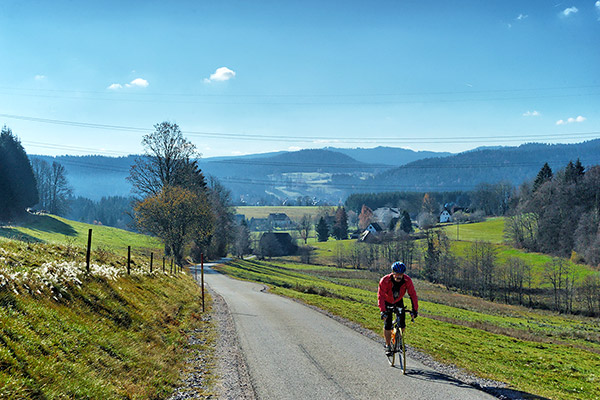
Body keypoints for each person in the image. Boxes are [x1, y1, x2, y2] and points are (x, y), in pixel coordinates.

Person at [377, 261, 418, 355]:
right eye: (397, 274)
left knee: (402, 324)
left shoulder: (407, 280)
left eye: (401, 274)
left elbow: (413, 295)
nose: (399, 276)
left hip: (398, 301)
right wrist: (383, 311)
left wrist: (415, 310)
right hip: (387, 301)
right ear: (393, 273)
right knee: (387, 324)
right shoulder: (385, 280)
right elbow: (381, 296)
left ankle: (399, 340)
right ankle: (388, 345)